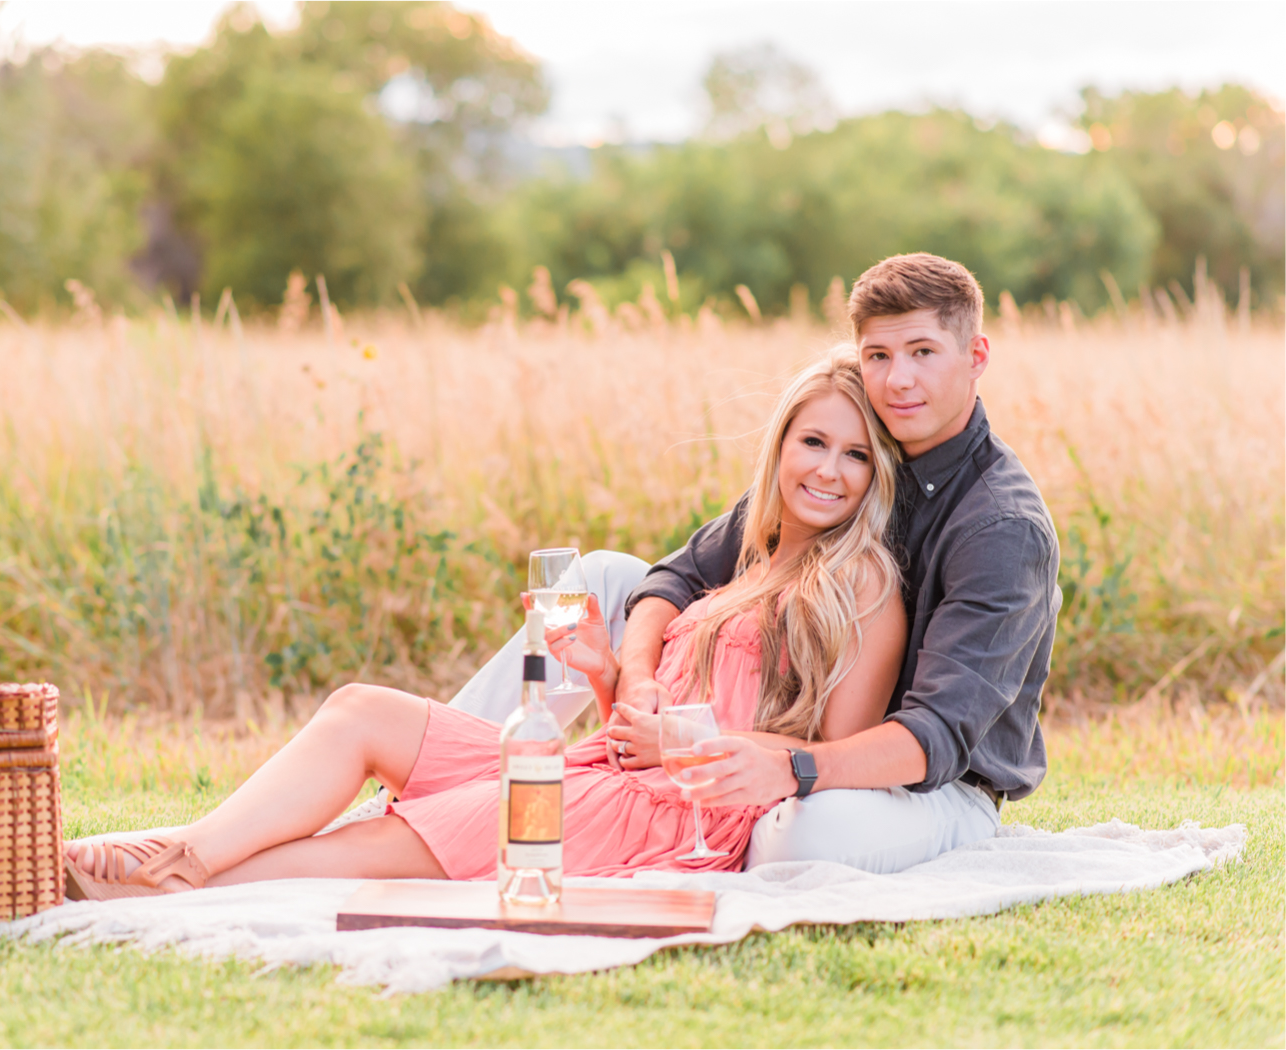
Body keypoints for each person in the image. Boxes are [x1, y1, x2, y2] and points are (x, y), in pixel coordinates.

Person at [63, 351, 907, 898]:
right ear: (779, 448)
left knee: (386, 845)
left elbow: (828, 759)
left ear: (876, 477)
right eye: (814, 443)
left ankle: (176, 873)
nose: (829, 471)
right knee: (362, 710)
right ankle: (190, 849)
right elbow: (629, 734)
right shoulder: (748, 561)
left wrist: (687, 751)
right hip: (605, 770)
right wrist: (605, 671)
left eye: (856, 455)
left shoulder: (861, 579)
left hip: (675, 817)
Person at [611, 252, 1060, 874]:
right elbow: (679, 574)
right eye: (878, 356)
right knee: (604, 576)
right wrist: (637, 676)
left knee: (802, 835)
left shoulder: (1001, 528)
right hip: (795, 742)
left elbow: (934, 737)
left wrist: (791, 768)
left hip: (928, 786)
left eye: (923, 352)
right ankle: (509, 757)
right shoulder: (847, 452)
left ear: (976, 357)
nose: (898, 379)